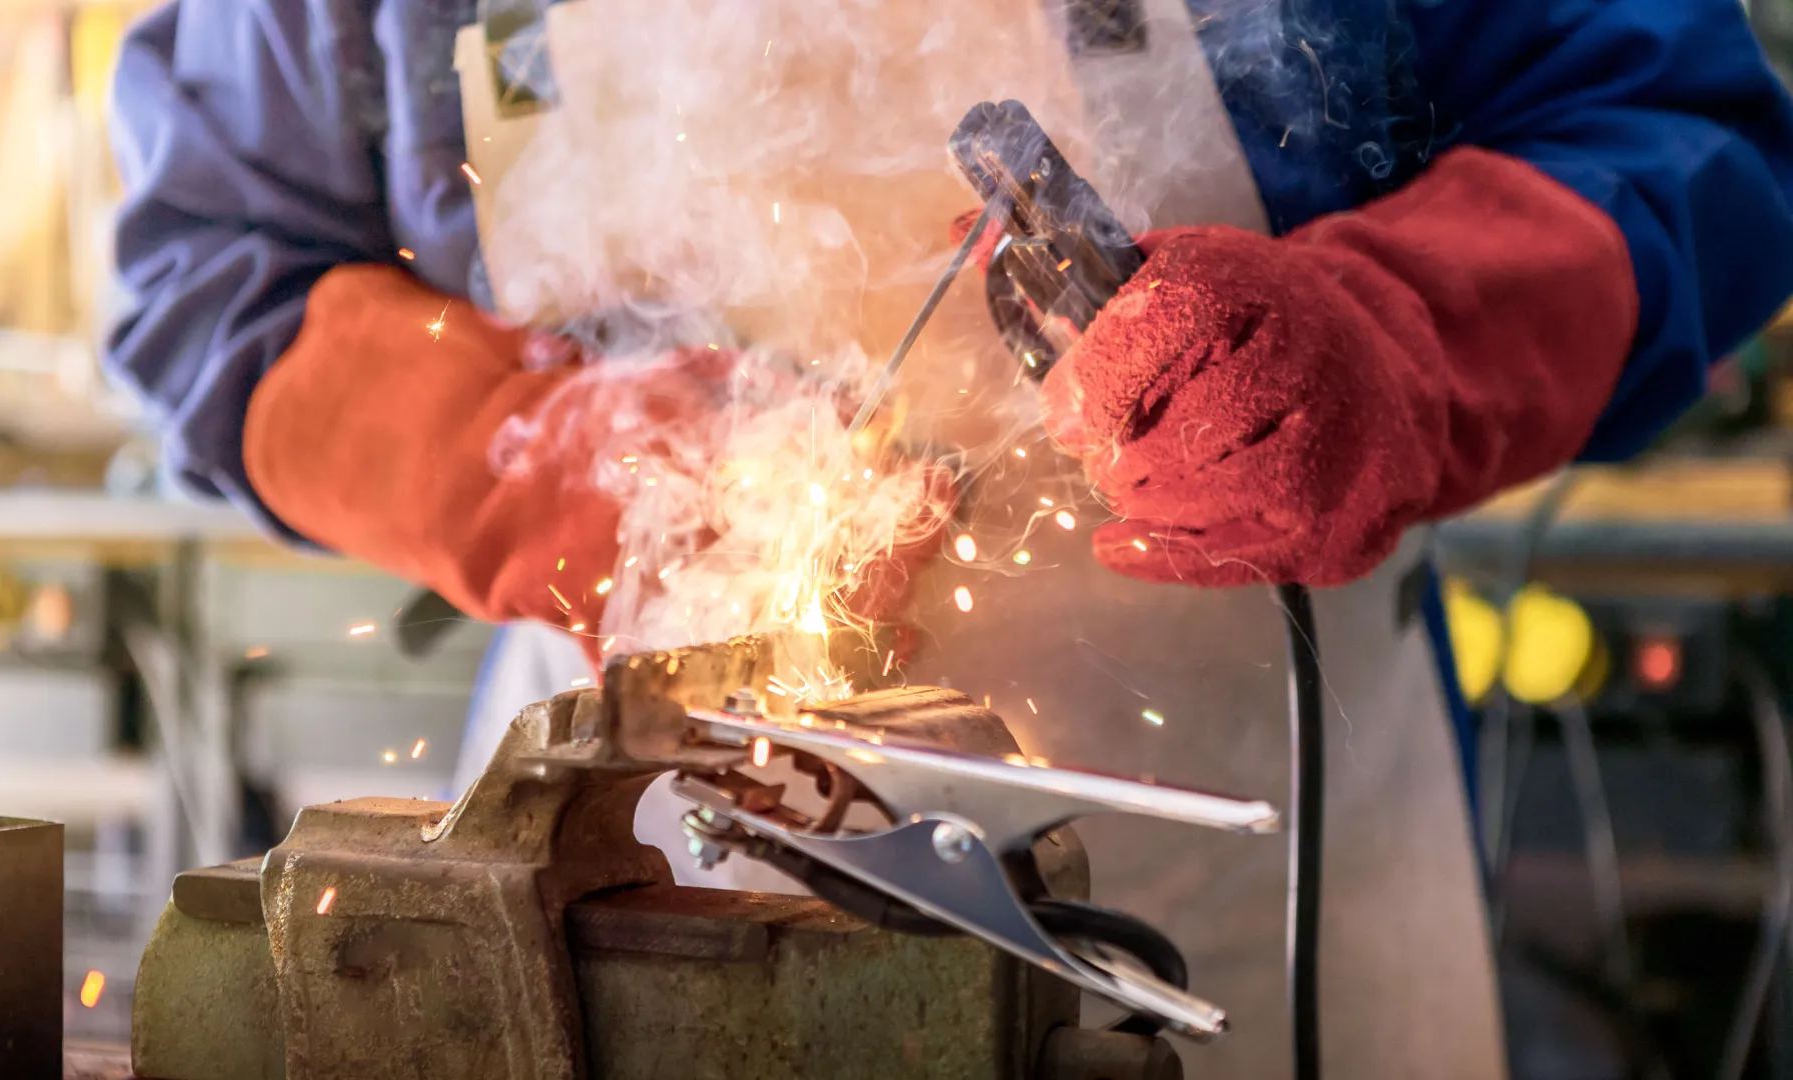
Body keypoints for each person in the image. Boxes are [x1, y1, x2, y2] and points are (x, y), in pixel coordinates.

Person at [105, 0, 1793, 1075]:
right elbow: (213, 277)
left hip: (1256, 876)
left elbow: (1684, 137)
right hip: (619, 871)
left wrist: (1396, 339)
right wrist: (539, 462)